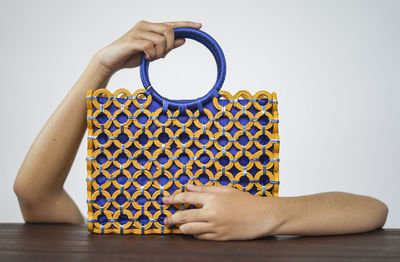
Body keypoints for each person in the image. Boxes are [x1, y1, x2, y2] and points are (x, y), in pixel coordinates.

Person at [13, 20, 388, 241]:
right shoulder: (118, 219)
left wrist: (267, 212)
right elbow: (33, 195)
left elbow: (374, 210)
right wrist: (100, 67)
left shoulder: (251, 209)